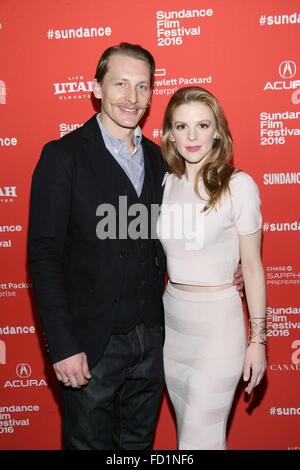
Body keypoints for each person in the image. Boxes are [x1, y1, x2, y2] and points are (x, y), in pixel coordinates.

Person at [28, 43, 243, 450]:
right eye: (120, 84)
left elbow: (197, 222)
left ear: (151, 93)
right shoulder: (62, 157)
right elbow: (43, 257)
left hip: (153, 341)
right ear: (96, 88)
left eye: (142, 86)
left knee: (138, 448)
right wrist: (63, 345)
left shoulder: (163, 159)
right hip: (91, 346)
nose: (131, 97)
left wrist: (226, 266)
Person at [158, 86, 267, 450]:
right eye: (182, 126)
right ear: (169, 133)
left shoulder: (239, 186)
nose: (192, 137)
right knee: (187, 433)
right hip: (172, 324)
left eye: (202, 125)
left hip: (219, 329)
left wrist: (258, 341)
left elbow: (252, 268)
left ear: (217, 130)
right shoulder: (166, 183)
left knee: (199, 438)